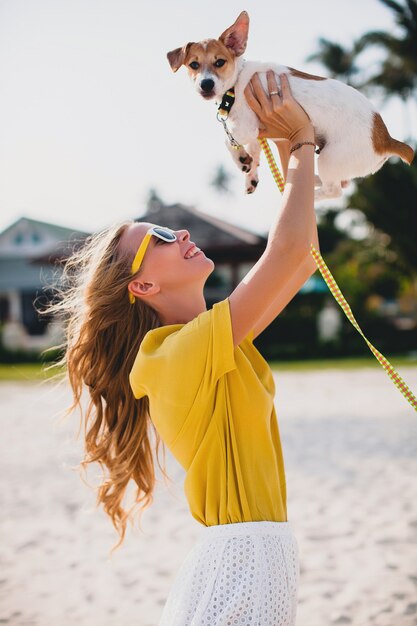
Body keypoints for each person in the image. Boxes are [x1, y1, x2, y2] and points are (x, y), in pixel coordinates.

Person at [51, 71, 319, 626]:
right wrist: (299, 142)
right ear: (142, 287)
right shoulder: (169, 356)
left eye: (172, 231)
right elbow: (292, 250)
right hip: (243, 561)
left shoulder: (220, 340)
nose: (182, 236)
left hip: (255, 556)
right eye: (162, 240)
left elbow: (301, 258)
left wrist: (296, 147)